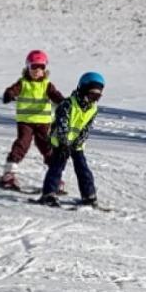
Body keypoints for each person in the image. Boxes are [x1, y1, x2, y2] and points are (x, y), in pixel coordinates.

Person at [0, 49, 65, 189]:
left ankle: (55, 177)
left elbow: (55, 95)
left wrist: (63, 103)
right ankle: (9, 174)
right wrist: (9, 94)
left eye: (41, 67)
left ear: (45, 69)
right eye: (34, 66)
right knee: (22, 144)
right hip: (26, 121)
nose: (37, 70)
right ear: (28, 67)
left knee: (47, 147)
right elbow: (13, 90)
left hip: (43, 123)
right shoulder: (23, 83)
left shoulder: (47, 84)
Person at [38, 71, 104, 207]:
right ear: (83, 89)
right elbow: (62, 124)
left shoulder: (93, 109)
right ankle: (49, 194)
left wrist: (77, 143)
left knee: (83, 168)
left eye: (97, 97)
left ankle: (89, 195)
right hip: (61, 143)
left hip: (76, 145)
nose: (93, 100)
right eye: (91, 95)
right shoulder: (68, 104)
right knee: (57, 167)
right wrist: (64, 143)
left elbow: (86, 129)